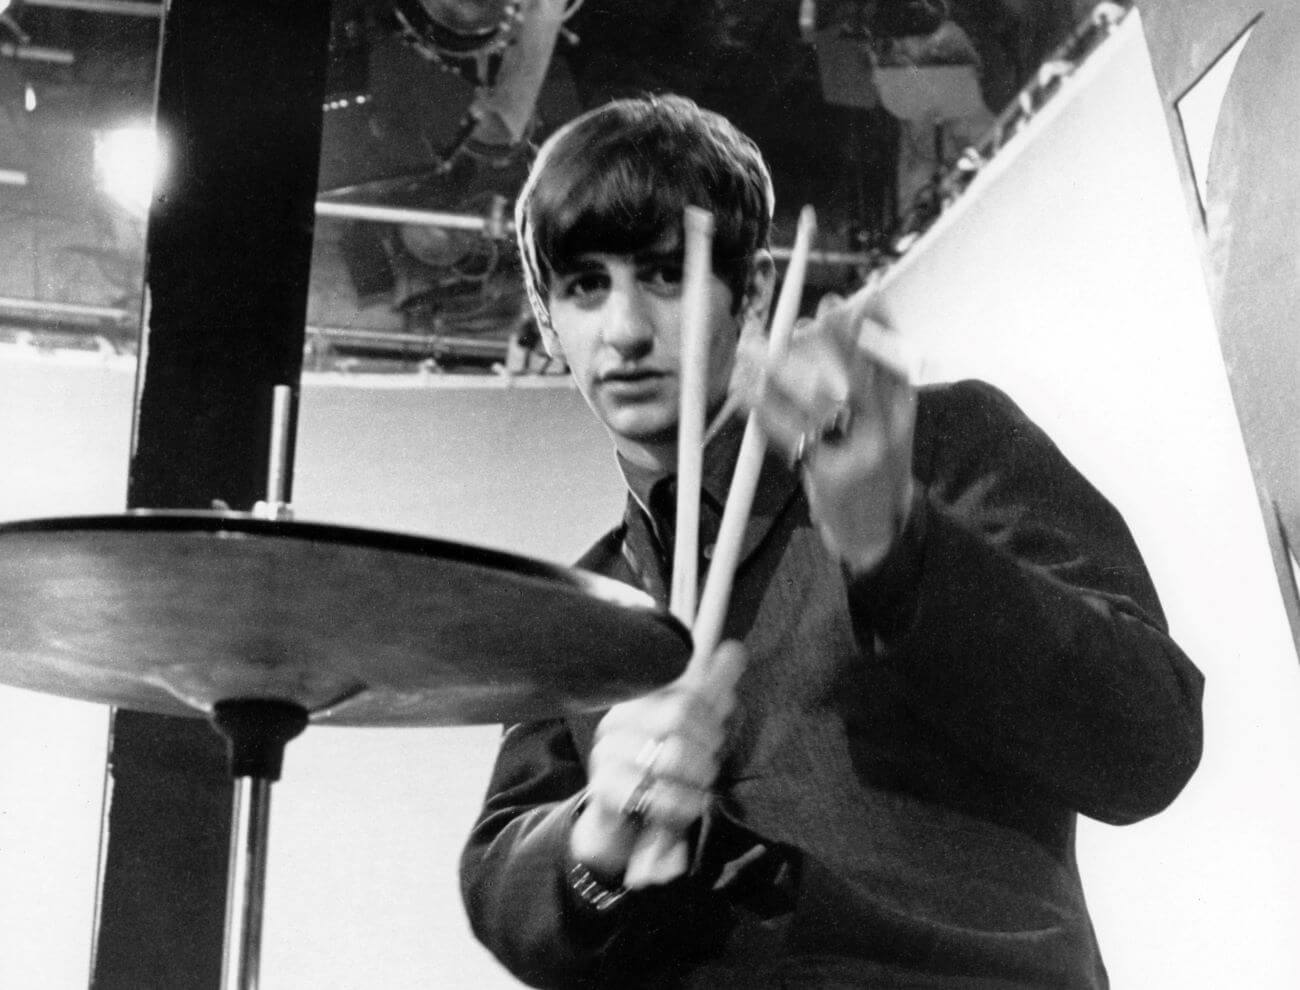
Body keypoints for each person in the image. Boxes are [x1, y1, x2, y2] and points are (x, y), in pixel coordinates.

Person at [459, 93, 1204, 989]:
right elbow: (504, 877)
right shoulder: (579, 607)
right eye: (585, 287)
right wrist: (594, 835)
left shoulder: (938, 444)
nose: (623, 331)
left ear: (756, 291)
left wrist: (896, 545)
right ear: (546, 322)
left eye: (666, 275)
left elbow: (1147, 745)